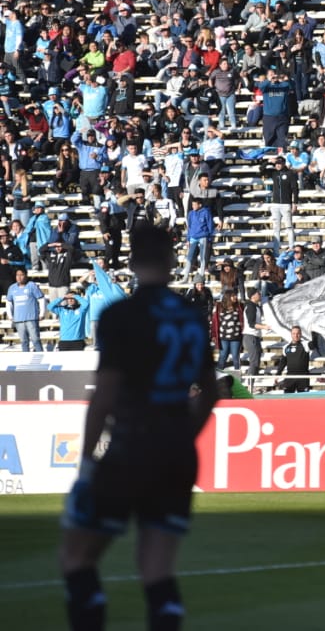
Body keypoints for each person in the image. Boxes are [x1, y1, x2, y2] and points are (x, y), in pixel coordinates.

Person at [59, 223, 217, 631]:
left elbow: (106, 395)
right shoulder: (192, 316)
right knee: (158, 569)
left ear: (131, 260)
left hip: (131, 445)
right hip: (178, 451)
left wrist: (87, 462)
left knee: (77, 557)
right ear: (171, 260)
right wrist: (183, 437)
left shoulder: (121, 315)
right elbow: (211, 392)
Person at [6, 266, 45, 351]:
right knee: (24, 342)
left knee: (36, 340)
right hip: (19, 320)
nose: (19, 277)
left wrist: (41, 313)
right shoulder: (12, 288)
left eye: (21, 275)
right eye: (17, 275)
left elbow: (41, 299)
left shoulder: (31, 285)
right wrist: (10, 315)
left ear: (26, 275)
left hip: (31, 318)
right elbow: (9, 302)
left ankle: (41, 358)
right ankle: (26, 360)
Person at [278, 326, 311, 392]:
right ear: (291, 334)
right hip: (290, 377)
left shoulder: (305, 344)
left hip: (303, 377)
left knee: (304, 400)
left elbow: (313, 344)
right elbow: (283, 362)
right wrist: (277, 374)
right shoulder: (286, 347)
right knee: (287, 400)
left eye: (298, 333)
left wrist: (313, 331)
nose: (296, 335)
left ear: (301, 334)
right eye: (294, 333)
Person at [242, 288, 265, 376]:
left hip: (255, 336)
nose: (259, 294)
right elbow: (251, 324)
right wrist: (264, 327)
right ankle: (250, 384)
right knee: (254, 362)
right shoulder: (251, 307)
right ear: (253, 296)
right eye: (258, 293)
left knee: (256, 362)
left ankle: (253, 383)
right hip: (250, 336)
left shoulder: (256, 306)